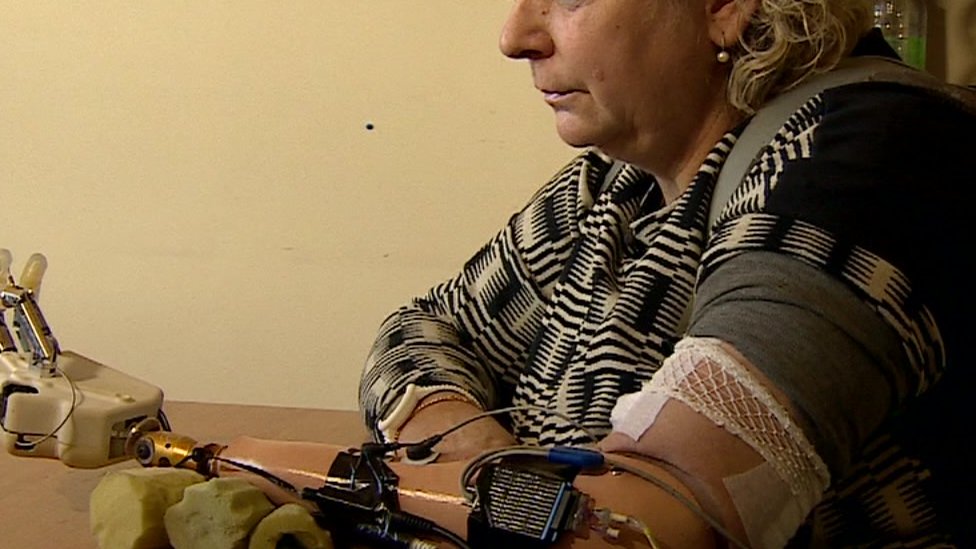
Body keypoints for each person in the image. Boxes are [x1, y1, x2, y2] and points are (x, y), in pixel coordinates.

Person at [356, 0, 976, 546]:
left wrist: (455, 483)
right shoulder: (618, 186)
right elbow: (421, 330)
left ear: (724, 5)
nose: (515, 38)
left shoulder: (875, 158)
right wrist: (471, 447)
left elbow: (656, 521)